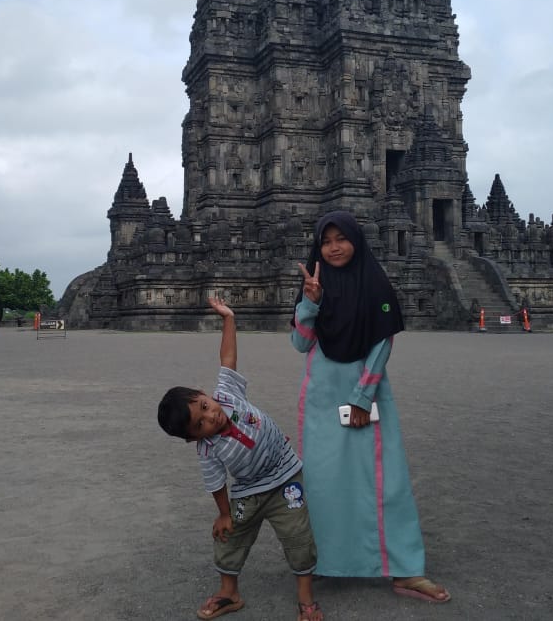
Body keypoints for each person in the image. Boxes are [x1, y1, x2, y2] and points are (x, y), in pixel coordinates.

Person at [290, 210, 451, 604]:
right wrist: (311, 302)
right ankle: (326, 561)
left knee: (386, 482)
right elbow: (300, 344)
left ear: (355, 240)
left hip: (367, 391)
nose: (333, 248)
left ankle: (406, 569)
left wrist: (363, 397)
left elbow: (382, 342)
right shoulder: (316, 285)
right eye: (326, 242)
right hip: (322, 395)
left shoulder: (374, 283)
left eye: (340, 239)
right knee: (325, 484)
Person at [158, 298, 325, 621]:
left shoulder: (227, 395)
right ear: (194, 437)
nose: (212, 416)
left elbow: (228, 357)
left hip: (287, 476)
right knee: (230, 537)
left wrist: (229, 319)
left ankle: (305, 598)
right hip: (249, 491)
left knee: (298, 536)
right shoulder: (208, 449)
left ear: (206, 394)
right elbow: (216, 483)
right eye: (201, 423)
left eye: (205, 406)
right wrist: (224, 514)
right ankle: (229, 592)